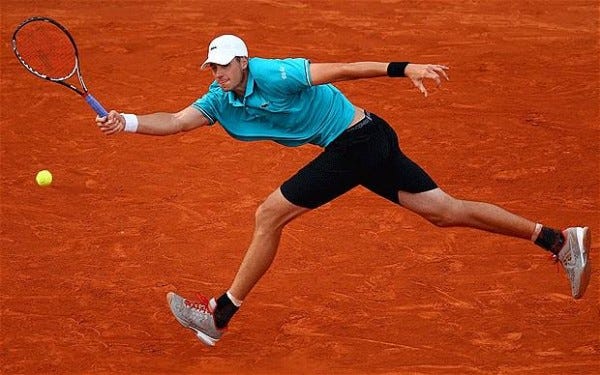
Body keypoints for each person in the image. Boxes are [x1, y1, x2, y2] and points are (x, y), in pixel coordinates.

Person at [96, 35, 592, 347]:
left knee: (270, 214)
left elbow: (345, 69)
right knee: (444, 211)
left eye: (225, 65)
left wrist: (405, 68)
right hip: (364, 143)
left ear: (245, 62)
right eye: (213, 67)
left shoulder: (277, 72)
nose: (219, 73)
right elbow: (178, 122)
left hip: (358, 139)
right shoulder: (219, 99)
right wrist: (130, 122)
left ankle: (219, 315)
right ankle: (558, 239)